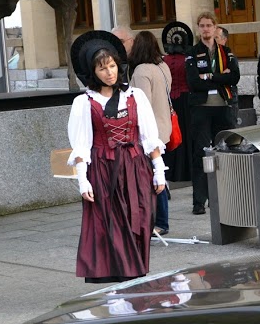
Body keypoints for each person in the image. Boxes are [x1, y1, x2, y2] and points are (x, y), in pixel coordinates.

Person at [67, 30, 166, 283]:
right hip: (102, 169)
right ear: (93, 72)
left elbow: (148, 137)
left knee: (139, 219)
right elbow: (81, 145)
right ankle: (117, 278)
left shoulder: (136, 97)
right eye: (103, 69)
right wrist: (83, 181)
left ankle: (135, 275)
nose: (110, 72)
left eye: (112, 66)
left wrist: (158, 170)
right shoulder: (84, 103)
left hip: (134, 167)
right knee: (108, 224)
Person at [186, 12, 240, 215]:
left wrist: (209, 75)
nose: (206, 29)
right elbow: (193, 82)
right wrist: (219, 77)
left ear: (216, 27)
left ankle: (227, 195)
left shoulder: (226, 52)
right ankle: (199, 201)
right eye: (202, 25)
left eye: (209, 25)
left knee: (225, 152)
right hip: (201, 109)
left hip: (223, 107)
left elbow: (234, 77)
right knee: (200, 153)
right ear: (198, 28)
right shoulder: (192, 53)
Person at [129, 31, 173, 236]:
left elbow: (141, 102)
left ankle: (161, 221)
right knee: (158, 171)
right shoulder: (162, 66)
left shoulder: (141, 71)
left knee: (154, 176)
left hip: (150, 130)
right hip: (164, 125)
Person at [163, 31, 192, 183]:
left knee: (171, 134)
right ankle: (185, 171)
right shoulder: (187, 60)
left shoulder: (163, 61)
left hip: (169, 101)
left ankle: (172, 171)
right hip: (185, 100)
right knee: (184, 134)